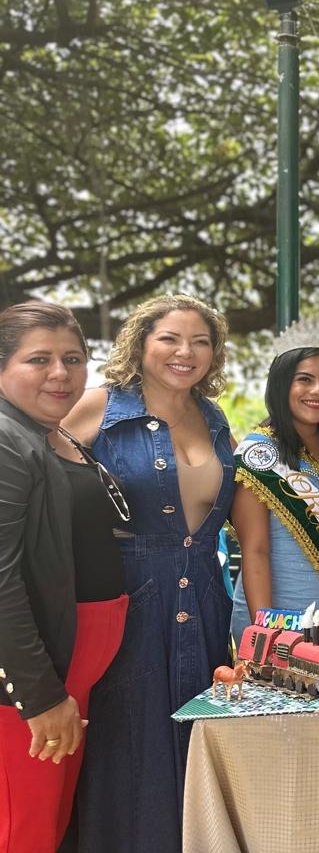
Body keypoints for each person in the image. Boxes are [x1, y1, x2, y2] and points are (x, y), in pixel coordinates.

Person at [62, 293, 236, 853]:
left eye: (201, 341)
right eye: (170, 338)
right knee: (127, 746)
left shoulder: (214, 418)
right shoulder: (98, 406)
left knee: (198, 739)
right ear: (141, 343)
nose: (186, 352)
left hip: (205, 600)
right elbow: (39, 486)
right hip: (126, 600)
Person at [0, 303, 128, 852]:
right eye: (39, 360)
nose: (60, 373)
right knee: (22, 831)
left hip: (73, 674)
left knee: (50, 828)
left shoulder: (51, 433)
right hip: (33, 683)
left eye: (73, 359)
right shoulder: (5, 439)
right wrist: (39, 695)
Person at [229, 344, 319, 641]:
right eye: (304, 379)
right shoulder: (260, 454)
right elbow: (255, 551)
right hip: (279, 620)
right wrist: (265, 635)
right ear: (281, 386)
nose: (318, 391)